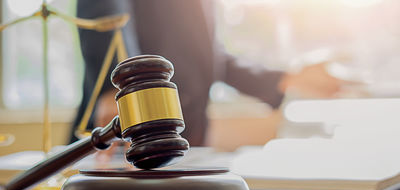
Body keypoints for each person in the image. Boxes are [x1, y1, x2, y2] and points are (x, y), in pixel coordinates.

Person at [71, 0, 349, 148]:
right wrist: (121, 87)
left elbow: (206, 54)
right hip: (127, 129)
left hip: (184, 136)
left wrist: (284, 78)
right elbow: (107, 11)